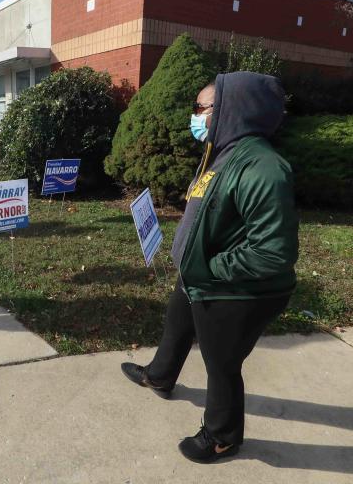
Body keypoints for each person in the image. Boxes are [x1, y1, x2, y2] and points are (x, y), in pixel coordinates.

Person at [121, 72, 298, 463]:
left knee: (221, 363)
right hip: (200, 276)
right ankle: (161, 375)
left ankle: (222, 436)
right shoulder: (224, 153)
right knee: (177, 322)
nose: (195, 116)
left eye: (201, 108)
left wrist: (210, 265)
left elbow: (273, 253)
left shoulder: (263, 167)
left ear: (229, 110)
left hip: (234, 289)